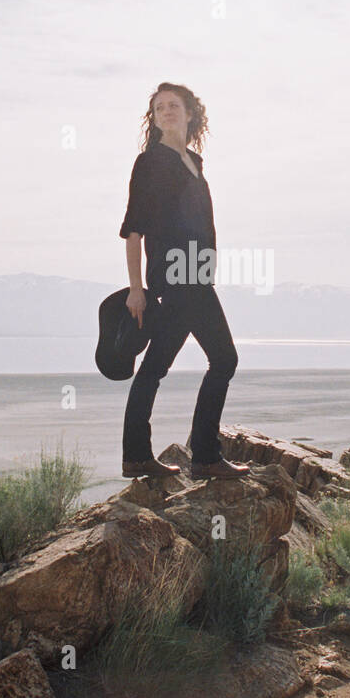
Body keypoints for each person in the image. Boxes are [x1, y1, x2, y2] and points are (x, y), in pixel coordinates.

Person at [119, 82, 250, 481]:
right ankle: (205, 455)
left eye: (174, 105)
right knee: (224, 359)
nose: (166, 112)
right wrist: (137, 289)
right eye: (159, 108)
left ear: (190, 113)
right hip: (176, 276)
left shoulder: (194, 160)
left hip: (195, 274)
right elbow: (134, 230)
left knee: (156, 365)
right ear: (154, 118)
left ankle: (138, 456)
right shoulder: (151, 162)